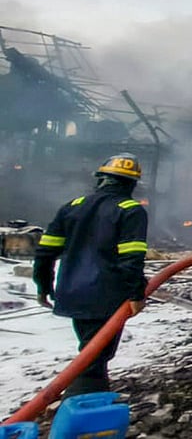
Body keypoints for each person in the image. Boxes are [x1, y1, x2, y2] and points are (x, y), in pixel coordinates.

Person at [33, 153, 149, 397]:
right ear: (131, 184)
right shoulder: (130, 210)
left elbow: (45, 253)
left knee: (92, 351)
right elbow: (131, 259)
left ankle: (89, 400)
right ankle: (81, 408)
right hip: (107, 295)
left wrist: (43, 286)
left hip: (73, 291)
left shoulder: (72, 206)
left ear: (100, 180)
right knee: (95, 356)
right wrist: (137, 294)